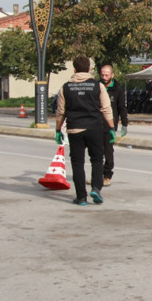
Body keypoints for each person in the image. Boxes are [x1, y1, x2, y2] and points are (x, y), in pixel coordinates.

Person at [55, 56, 115, 206]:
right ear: (89, 69)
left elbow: (60, 111)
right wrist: (112, 128)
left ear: (74, 69)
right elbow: (106, 108)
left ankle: (81, 197)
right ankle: (96, 188)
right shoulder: (97, 86)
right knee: (96, 160)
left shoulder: (66, 87)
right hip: (95, 128)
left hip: (75, 129)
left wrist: (57, 130)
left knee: (77, 163)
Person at [99, 64, 128, 186]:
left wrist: (124, 124)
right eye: (102, 74)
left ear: (112, 75)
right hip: (96, 123)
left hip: (109, 125)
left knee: (108, 151)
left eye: (107, 75)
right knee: (96, 152)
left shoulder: (118, 89)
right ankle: (97, 175)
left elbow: (122, 107)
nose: (104, 77)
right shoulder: (96, 86)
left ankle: (107, 175)